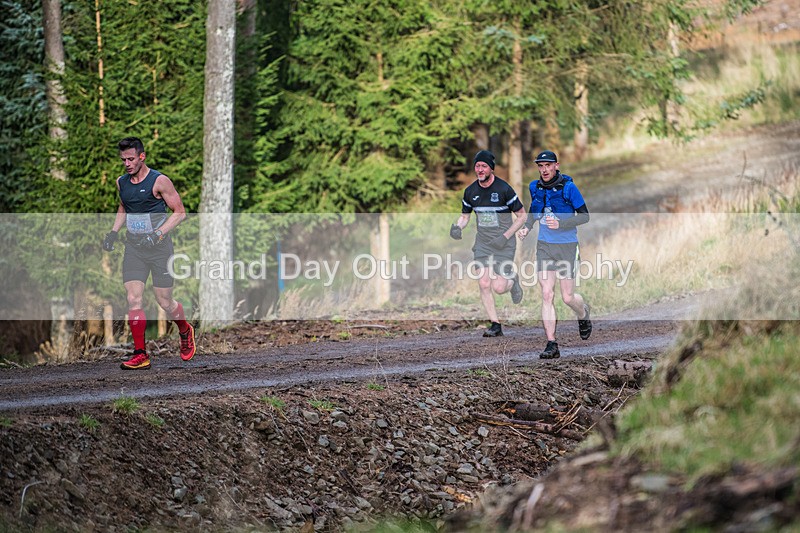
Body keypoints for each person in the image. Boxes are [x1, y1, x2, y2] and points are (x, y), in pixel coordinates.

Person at [102, 137, 196, 370]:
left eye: (131, 159)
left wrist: (158, 234)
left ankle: (184, 329)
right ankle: (140, 354)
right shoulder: (121, 182)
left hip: (159, 249)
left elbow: (179, 212)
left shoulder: (159, 181)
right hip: (134, 248)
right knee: (133, 298)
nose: (126, 163)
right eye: (123, 159)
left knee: (164, 301)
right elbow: (124, 207)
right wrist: (114, 232)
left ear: (142, 156)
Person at [518, 150, 592, 359]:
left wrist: (562, 224)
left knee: (567, 297)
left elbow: (585, 216)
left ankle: (583, 312)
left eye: (548, 165)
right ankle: (552, 343)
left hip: (567, 245)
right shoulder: (535, 187)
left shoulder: (569, 188)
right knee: (547, 293)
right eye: (540, 166)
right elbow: (535, 209)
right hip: (545, 246)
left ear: (556, 166)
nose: (544, 170)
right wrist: (527, 227)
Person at [450, 150, 527, 337]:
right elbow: (465, 217)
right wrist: (457, 227)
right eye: (477, 166)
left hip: (504, 242)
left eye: (484, 166)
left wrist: (506, 236)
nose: (480, 169)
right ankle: (495, 324)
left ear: (491, 168)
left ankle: (513, 280)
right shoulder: (470, 192)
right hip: (483, 242)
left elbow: (522, 216)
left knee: (499, 287)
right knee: (484, 283)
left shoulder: (504, 189)